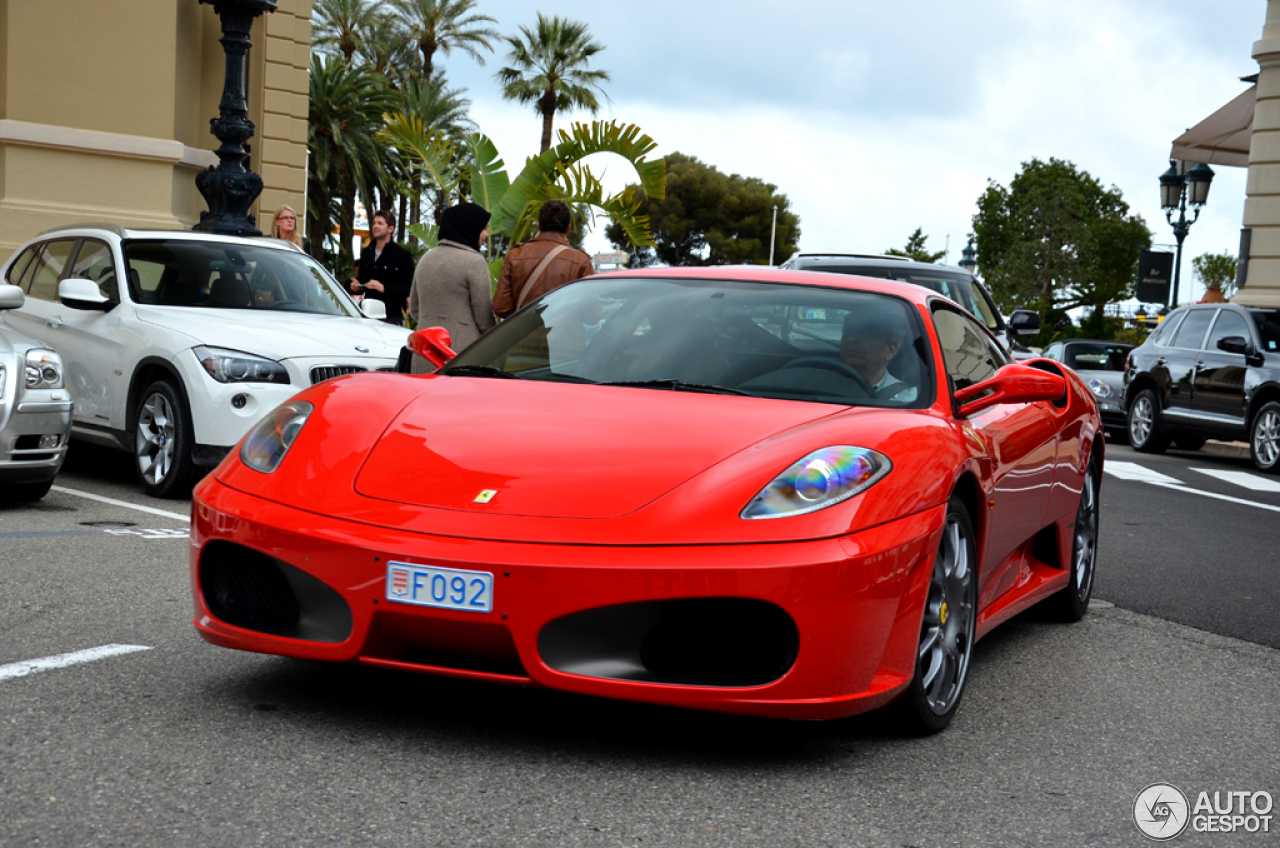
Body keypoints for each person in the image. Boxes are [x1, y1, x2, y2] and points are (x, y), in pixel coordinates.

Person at [407, 202, 495, 373]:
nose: (487, 234)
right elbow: (484, 320)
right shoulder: (474, 262)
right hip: (459, 355)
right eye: (484, 228)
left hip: (423, 354)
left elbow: (415, 310)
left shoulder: (426, 259)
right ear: (469, 227)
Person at [492, 200, 593, 319]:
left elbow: (501, 307)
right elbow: (591, 315)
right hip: (566, 335)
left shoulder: (516, 255)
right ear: (568, 228)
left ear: (539, 225)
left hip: (526, 335)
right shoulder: (580, 260)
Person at [839, 304, 918, 402]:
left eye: (865, 334)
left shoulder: (907, 398)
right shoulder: (821, 384)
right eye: (848, 332)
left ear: (890, 350)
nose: (851, 339)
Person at [351, 209, 414, 325]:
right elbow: (363, 278)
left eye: (380, 223)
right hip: (367, 315)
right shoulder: (366, 253)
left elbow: (409, 287)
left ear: (391, 228)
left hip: (392, 317)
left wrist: (384, 288)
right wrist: (357, 285)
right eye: (374, 223)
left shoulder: (402, 256)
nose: (375, 226)